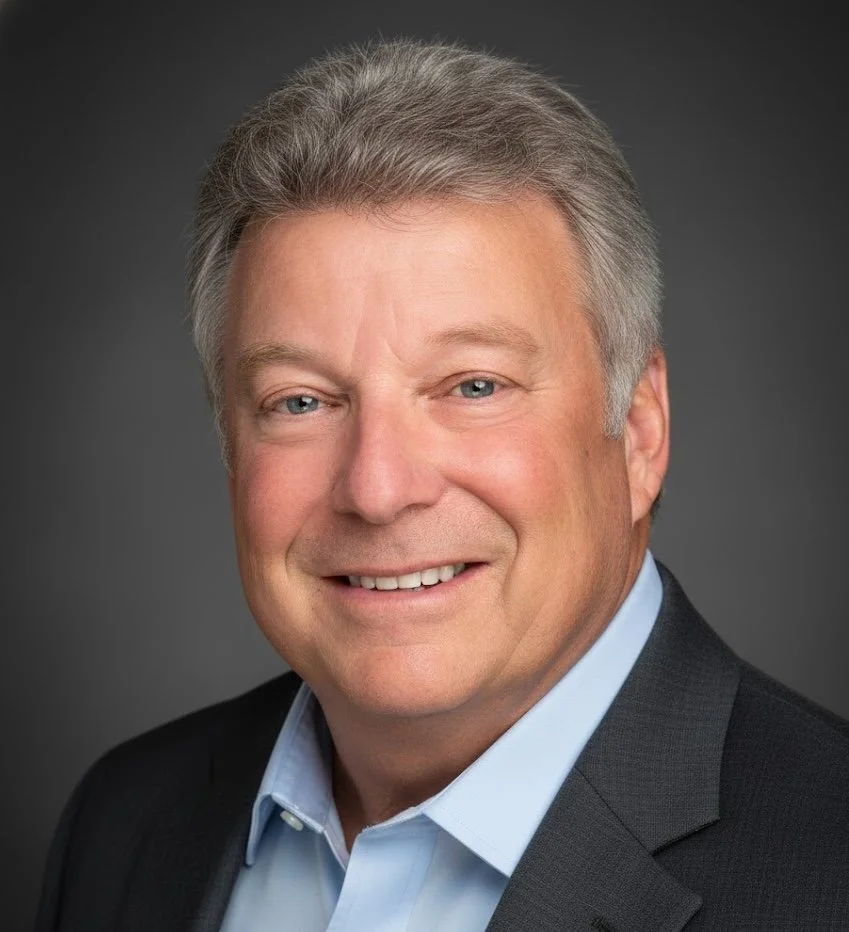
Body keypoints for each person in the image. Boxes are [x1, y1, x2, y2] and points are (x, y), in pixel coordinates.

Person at [36, 38, 849, 932]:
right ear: (228, 444)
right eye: (300, 400)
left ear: (640, 431)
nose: (378, 488)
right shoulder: (123, 823)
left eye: (473, 387)